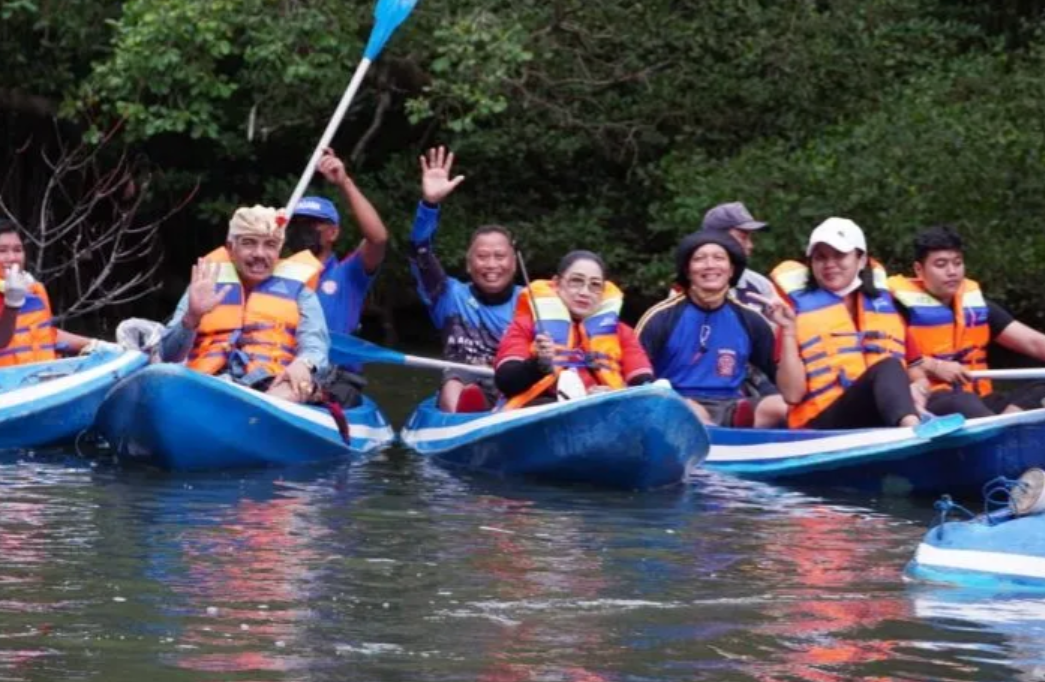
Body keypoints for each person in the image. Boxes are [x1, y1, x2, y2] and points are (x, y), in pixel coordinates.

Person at [757, 217, 925, 430]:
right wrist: (789, 331)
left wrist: (919, 389)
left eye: (839, 255)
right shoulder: (793, 313)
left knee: (957, 401)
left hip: (879, 417)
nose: (829, 264)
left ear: (861, 260)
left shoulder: (886, 308)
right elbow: (792, 394)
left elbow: (918, 375)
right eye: (820, 257)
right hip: (822, 426)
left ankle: (919, 430)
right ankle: (913, 430)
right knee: (888, 366)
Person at [159, 205, 329, 404]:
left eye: (270, 245)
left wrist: (304, 364)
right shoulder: (203, 285)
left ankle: (257, 414)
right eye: (249, 243)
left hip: (270, 385)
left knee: (298, 384)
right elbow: (167, 355)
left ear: (278, 251)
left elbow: (316, 349)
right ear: (231, 248)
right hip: (204, 382)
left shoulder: (302, 293)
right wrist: (192, 317)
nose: (260, 253)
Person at [888, 225, 1045, 418]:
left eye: (957, 263)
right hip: (932, 400)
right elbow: (884, 358)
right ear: (919, 270)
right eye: (941, 265)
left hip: (981, 398)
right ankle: (998, 425)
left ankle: (1007, 423)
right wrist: (935, 366)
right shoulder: (897, 307)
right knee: (963, 402)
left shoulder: (976, 305)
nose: (952, 271)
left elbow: (1033, 342)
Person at [408, 146, 520, 412]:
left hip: (513, 382)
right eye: (482, 257)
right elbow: (419, 252)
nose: (491, 265)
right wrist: (429, 205)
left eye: (499, 256)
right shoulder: (448, 295)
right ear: (469, 265)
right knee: (456, 378)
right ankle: (462, 412)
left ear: (514, 263)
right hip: (461, 382)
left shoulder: (532, 300)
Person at [636, 231, 787, 427]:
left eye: (719, 258)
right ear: (687, 270)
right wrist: (671, 398)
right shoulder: (661, 317)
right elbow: (637, 376)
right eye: (699, 259)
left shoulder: (750, 319)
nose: (710, 265)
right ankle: (716, 435)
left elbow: (779, 377)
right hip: (677, 404)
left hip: (732, 403)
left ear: (731, 270)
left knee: (783, 406)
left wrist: (788, 329)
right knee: (694, 414)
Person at [494, 250, 653, 409]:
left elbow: (643, 383)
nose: (584, 292)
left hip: (605, 413)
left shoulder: (622, 332)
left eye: (595, 285)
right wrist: (538, 365)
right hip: (540, 412)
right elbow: (505, 382)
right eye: (576, 281)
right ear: (556, 284)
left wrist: (612, 396)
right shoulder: (525, 325)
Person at [284, 147, 388, 337]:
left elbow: (378, 238)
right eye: (297, 223)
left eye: (312, 223)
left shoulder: (347, 273)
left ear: (333, 232)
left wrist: (344, 182)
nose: (303, 228)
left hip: (334, 356)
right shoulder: (278, 274)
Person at [0, 220, 120, 365]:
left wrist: (94, 344)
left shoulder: (34, 290)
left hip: (44, 375)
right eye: (2, 251)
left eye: (18, 250)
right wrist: (12, 304)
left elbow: (46, 334)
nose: (12, 258)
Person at [700, 201, 778, 309]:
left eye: (750, 238)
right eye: (743, 237)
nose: (750, 245)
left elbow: (777, 318)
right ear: (714, 238)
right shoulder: (689, 286)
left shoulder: (760, 285)